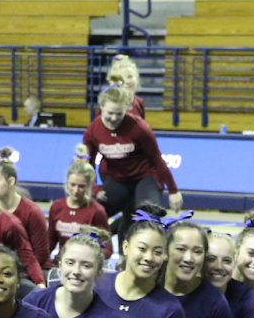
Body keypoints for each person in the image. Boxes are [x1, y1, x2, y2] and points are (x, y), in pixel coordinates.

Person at [80, 85, 181, 242]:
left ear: (127, 109)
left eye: (119, 114)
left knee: (147, 216)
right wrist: (93, 187)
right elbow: (87, 164)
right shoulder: (93, 131)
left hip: (146, 177)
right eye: (110, 113)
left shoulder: (139, 127)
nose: (114, 118)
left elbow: (157, 160)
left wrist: (173, 191)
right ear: (101, 108)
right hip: (118, 180)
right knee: (92, 213)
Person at [0, 148, 53, 266]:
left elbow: (41, 255)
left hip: (30, 270)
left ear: (11, 181)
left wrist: (13, 272)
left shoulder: (32, 212)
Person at [48, 159, 112, 263]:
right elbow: (50, 240)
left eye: (81, 186)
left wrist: (91, 258)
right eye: (72, 185)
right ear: (67, 182)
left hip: (86, 264)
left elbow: (107, 247)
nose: (76, 190)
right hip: (61, 263)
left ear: (89, 186)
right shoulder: (56, 207)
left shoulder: (97, 211)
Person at [106, 55, 146, 120]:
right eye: (120, 78)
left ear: (137, 79)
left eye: (130, 77)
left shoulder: (138, 102)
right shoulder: (108, 104)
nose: (126, 82)